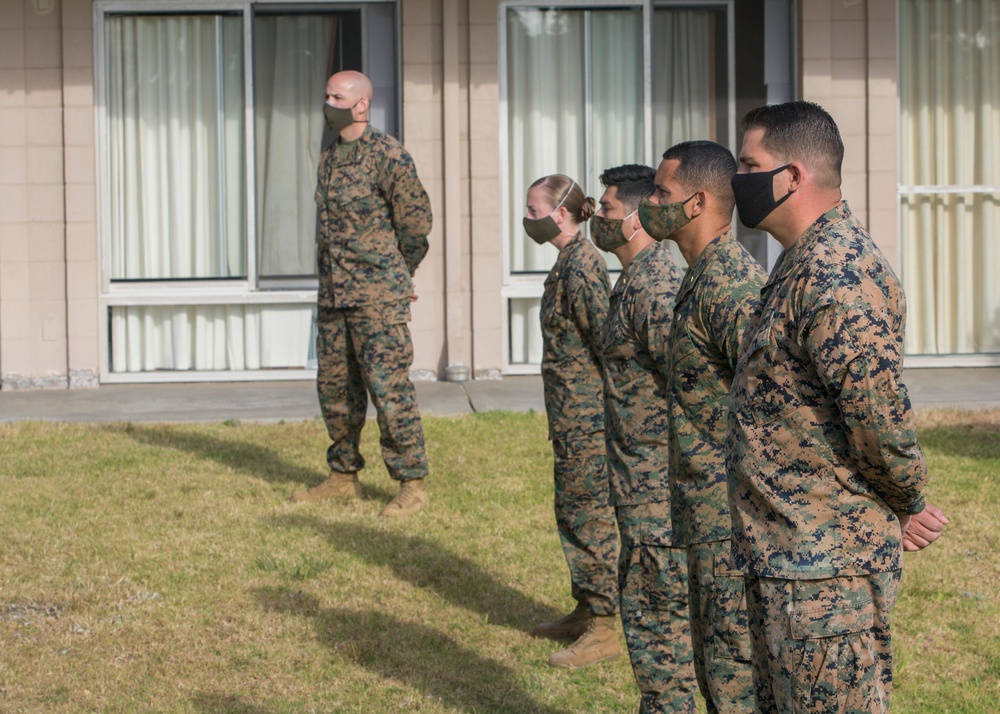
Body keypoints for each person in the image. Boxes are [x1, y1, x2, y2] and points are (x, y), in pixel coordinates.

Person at [726, 101, 935, 712]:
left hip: (824, 571)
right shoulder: (800, 263)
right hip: (783, 558)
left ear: (791, 176)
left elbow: (878, 417)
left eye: (748, 164)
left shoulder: (838, 273)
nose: (737, 180)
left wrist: (909, 499)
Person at [637, 141, 765, 713]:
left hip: (730, 517)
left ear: (697, 202)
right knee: (712, 669)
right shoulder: (698, 275)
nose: (651, 203)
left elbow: (775, 401)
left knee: (734, 673)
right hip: (702, 509)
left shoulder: (731, 286)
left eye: (661, 193)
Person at [292, 70, 432, 518]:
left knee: (389, 392)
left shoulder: (388, 156)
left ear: (361, 105)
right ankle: (342, 475)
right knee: (335, 390)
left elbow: (416, 225)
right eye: (326, 93)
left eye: (337, 95)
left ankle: (412, 482)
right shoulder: (330, 157)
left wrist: (396, 276)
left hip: (377, 298)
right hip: (334, 295)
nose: (327, 101)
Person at [592, 164, 696, 712]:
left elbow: (691, 388)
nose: (598, 218)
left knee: (660, 626)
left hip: (660, 493)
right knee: (650, 619)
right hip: (639, 484)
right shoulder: (633, 280)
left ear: (634, 221)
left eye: (607, 210)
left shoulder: (656, 288)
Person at [523, 174, 621, 669]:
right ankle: (586, 607)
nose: (528, 220)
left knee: (590, 516)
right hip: (569, 417)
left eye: (533, 211)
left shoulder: (583, 266)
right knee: (572, 510)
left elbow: (605, 343)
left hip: (587, 420)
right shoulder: (567, 262)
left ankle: (605, 624)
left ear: (560, 215)